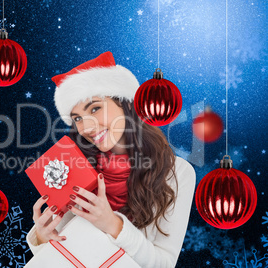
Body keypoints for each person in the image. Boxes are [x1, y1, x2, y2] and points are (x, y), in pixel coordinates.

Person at [26, 51, 196, 267]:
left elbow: (164, 264)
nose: (86, 127)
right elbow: (65, 253)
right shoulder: (76, 166)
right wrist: (43, 238)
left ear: (125, 105)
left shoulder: (178, 172)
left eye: (95, 108)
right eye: (77, 118)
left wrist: (113, 225)